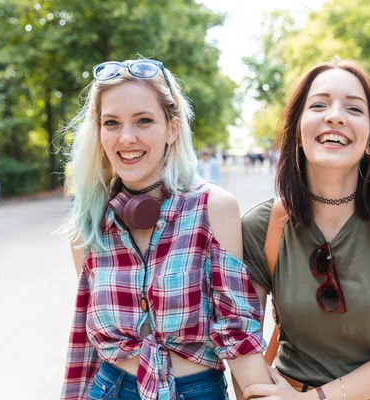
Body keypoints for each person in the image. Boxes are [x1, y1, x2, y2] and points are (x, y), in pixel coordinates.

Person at [58, 59, 271, 400]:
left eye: (144, 120)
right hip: (110, 389)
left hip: (196, 390)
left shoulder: (213, 208)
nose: (127, 138)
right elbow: (88, 346)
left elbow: (237, 335)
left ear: (172, 129)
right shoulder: (87, 225)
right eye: (111, 123)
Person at [240, 59, 370, 400]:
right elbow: (243, 341)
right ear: (297, 132)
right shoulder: (261, 226)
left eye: (353, 108)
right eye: (319, 105)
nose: (334, 116)